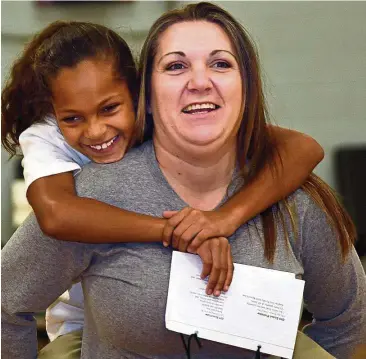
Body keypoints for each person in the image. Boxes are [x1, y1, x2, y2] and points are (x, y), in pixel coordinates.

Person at [3, 2, 365, 358]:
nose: (199, 81)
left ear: (247, 86)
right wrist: (177, 232)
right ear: (148, 92)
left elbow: (348, 324)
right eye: (176, 66)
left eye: (220, 63)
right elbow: (11, 293)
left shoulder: (293, 197)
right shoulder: (88, 194)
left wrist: (221, 220)